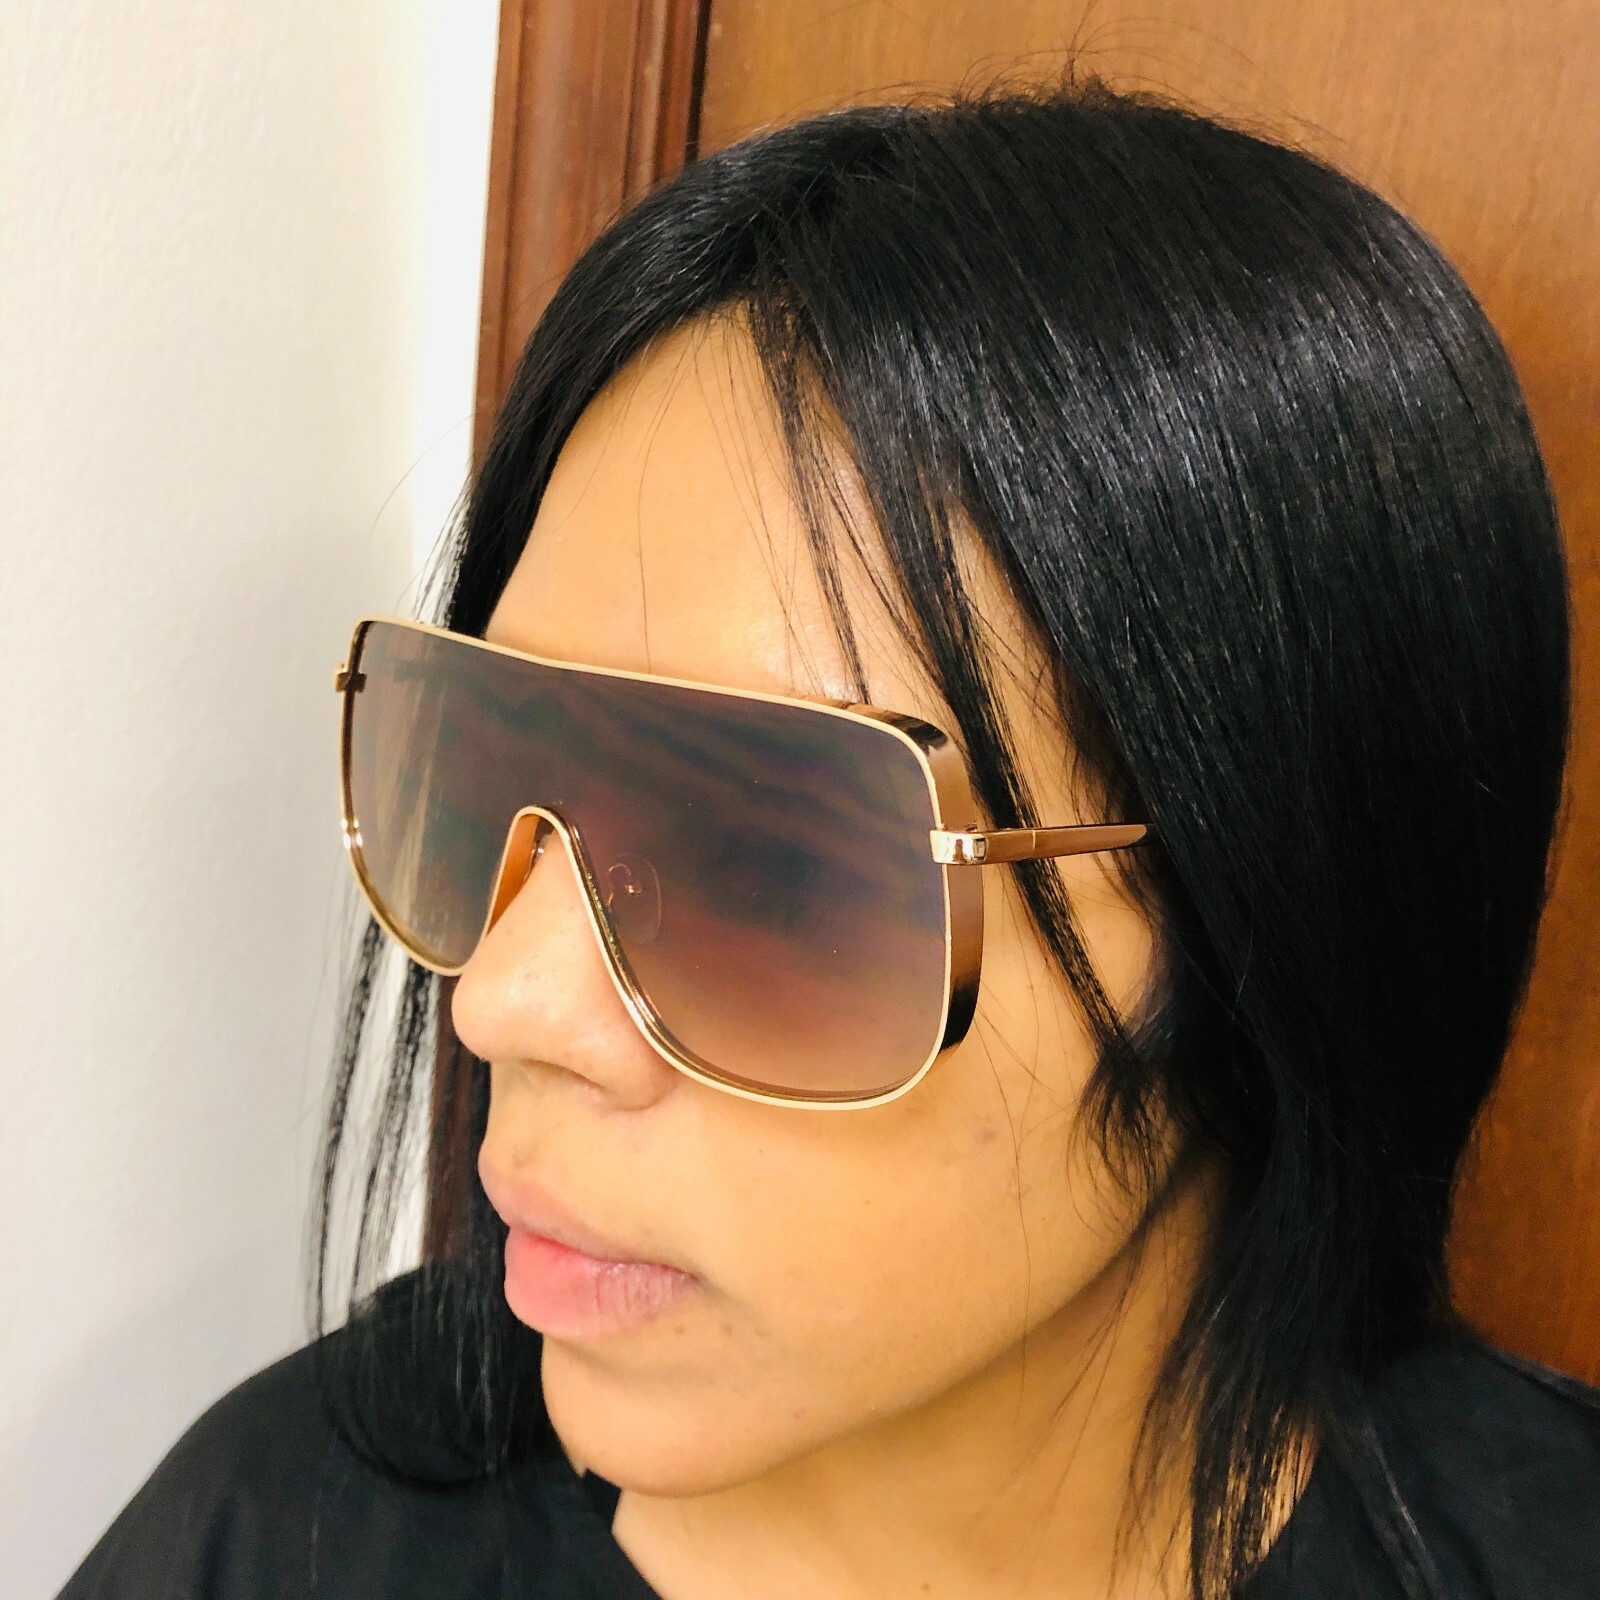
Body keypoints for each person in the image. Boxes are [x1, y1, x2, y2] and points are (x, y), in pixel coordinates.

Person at [58, 74, 1599, 1600]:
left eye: (765, 858)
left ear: (1270, 924)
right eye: (482, 764)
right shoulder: (271, 1540)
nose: (501, 1004)